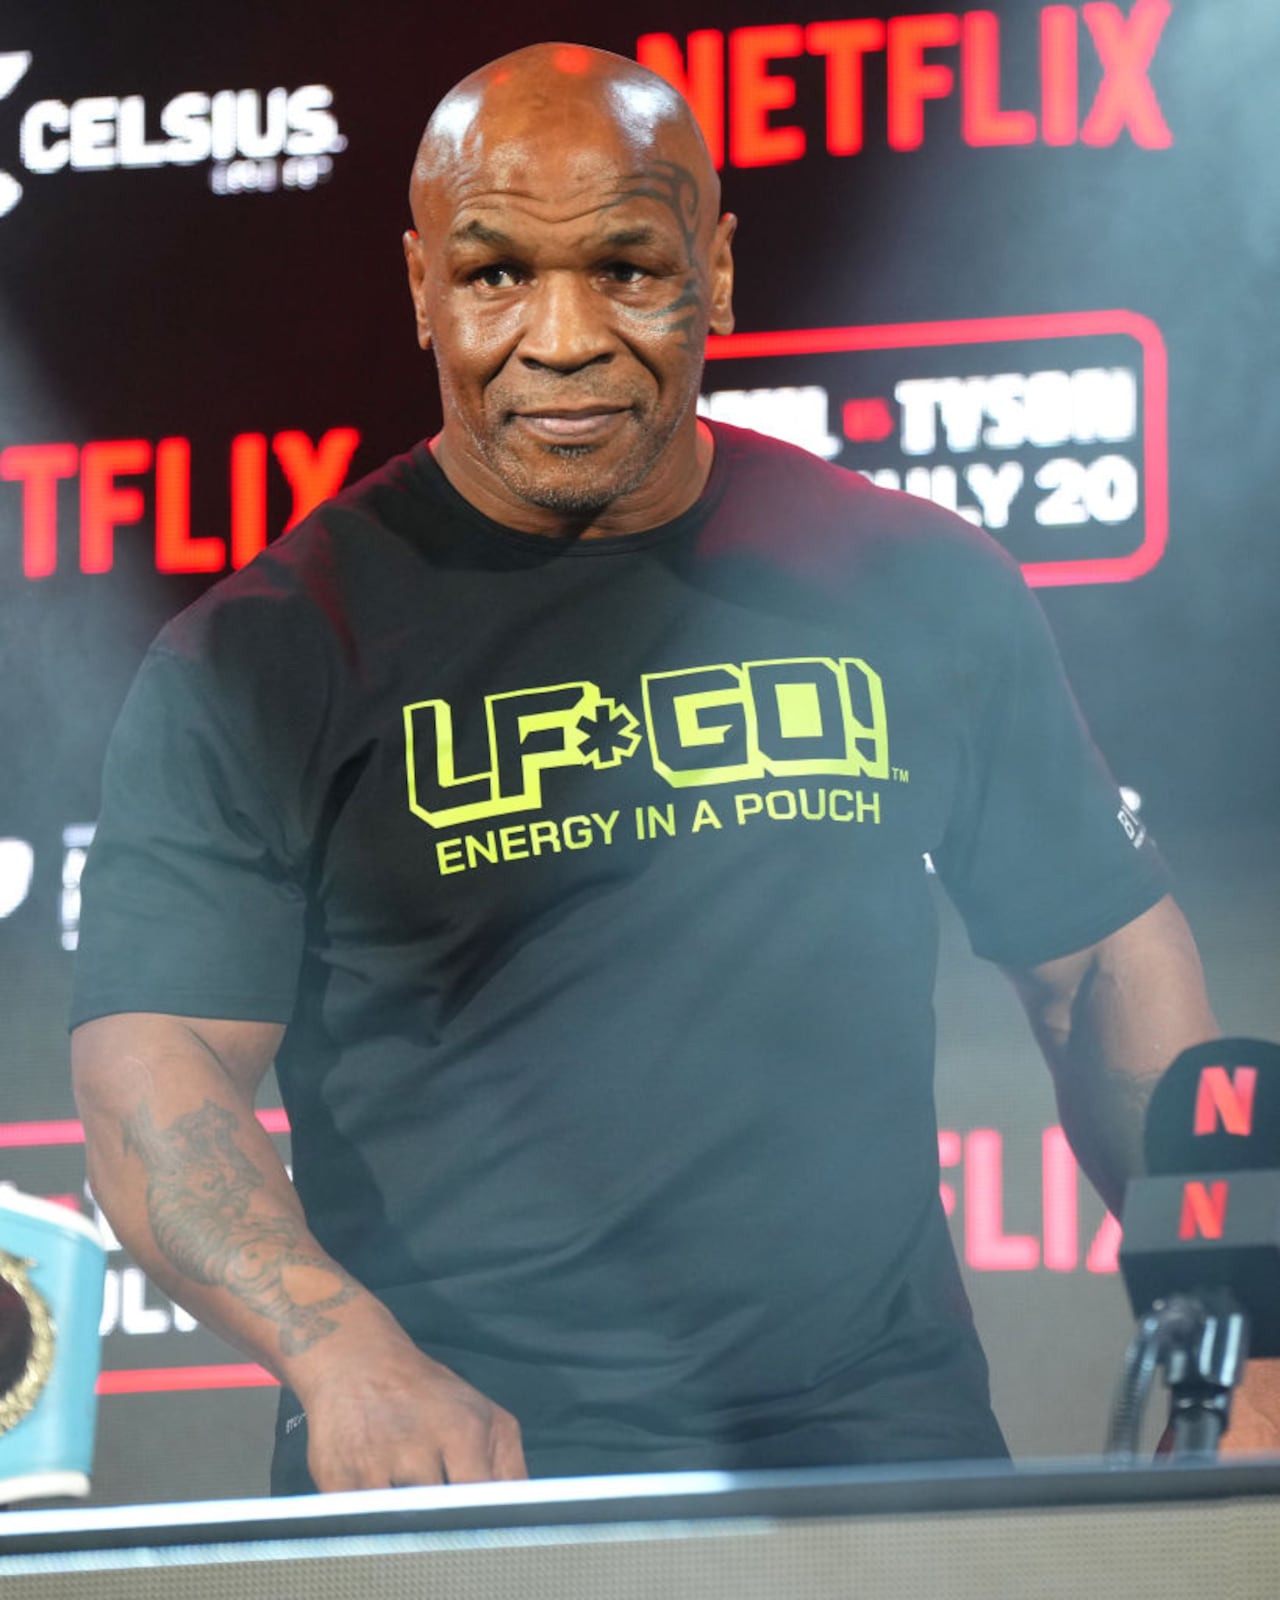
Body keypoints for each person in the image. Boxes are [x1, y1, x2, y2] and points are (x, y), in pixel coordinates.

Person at [66, 42, 1271, 1495]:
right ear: (421, 286)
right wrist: (344, 1358)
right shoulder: (263, 656)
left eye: (628, 267)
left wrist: (1246, 1346)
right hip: (464, 1469)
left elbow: (1097, 969)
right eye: (497, 272)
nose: (561, 336)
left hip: (876, 1453)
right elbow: (156, 1071)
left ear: (717, 266)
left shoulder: (914, 583)